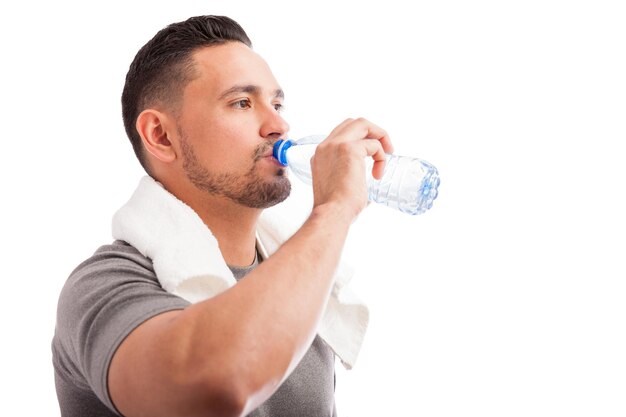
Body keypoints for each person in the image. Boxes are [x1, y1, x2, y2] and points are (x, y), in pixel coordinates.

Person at [52, 15, 393, 417]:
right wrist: (333, 210)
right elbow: (211, 389)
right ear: (161, 136)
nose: (278, 125)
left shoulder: (302, 274)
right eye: (242, 103)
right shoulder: (105, 286)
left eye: (277, 103)